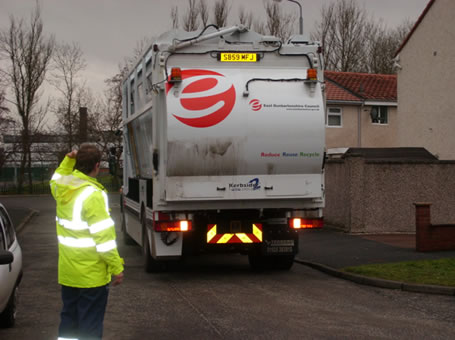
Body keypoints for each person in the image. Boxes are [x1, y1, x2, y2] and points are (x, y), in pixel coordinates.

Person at [50, 143, 124, 340]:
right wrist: (116, 267)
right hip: (91, 276)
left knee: (69, 320)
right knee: (90, 324)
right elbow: (104, 239)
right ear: (97, 165)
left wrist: (68, 159)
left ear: (77, 163)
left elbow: (56, 177)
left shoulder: (62, 188)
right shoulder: (93, 194)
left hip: (68, 273)